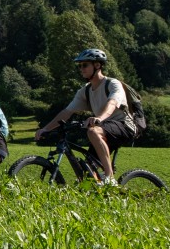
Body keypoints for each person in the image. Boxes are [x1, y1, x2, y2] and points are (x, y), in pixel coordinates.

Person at [34, 48, 137, 184]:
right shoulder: (86, 91)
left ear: (97, 65)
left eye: (85, 65)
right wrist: (46, 129)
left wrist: (99, 117)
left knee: (93, 131)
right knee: (89, 176)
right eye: (79, 66)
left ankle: (109, 177)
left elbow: (112, 104)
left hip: (123, 125)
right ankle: (107, 194)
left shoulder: (112, 84)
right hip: (104, 128)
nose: (81, 68)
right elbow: (67, 112)